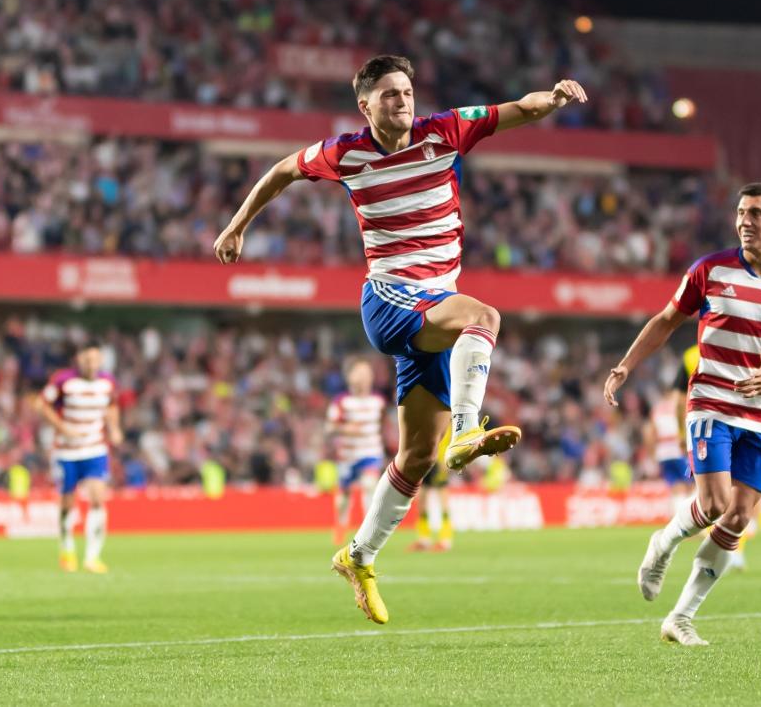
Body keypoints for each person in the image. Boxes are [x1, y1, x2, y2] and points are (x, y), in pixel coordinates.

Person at [214, 54, 587, 624]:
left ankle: (357, 556)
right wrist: (238, 224)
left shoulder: (445, 131)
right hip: (390, 300)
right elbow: (283, 170)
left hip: (433, 310)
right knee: (483, 316)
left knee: (414, 457)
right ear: (365, 106)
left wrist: (554, 98)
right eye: (390, 95)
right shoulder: (345, 153)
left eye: (407, 92)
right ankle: (466, 433)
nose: (403, 102)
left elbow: (519, 109)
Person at [604, 182, 761, 646]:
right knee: (716, 504)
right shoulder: (710, 269)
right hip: (712, 400)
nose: (745, 221)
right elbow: (666, 321)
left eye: (756, 214)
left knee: (739, 518)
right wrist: (626, 365)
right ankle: (662, 542)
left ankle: (680, 618)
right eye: (741, 213)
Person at [36, 341, 123, 574]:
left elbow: (113, 406)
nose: (91, 363)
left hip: (94, 448)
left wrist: (114, 428)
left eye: (95, 358)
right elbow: (42, 405)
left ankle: (93, 557)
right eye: (87, 358)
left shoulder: (108, 382)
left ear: (101, 360)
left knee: (97, 497)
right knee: (68, 502)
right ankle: (67, 547)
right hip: (67, 450)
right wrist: (62, 428)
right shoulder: (64, 380)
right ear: (79, 359)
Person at [326, 359, 390, 546]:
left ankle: (367, 532)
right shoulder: (342, 401)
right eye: (360, 373)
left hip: (371, 452)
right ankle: (341, 525)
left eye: (367, 373)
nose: (364, 377)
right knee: (344, 496)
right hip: (347, 456)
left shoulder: (378, 401)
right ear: (350, 377)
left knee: (369, 485)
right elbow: (330, 427)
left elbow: (383, 425)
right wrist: (346, 429)